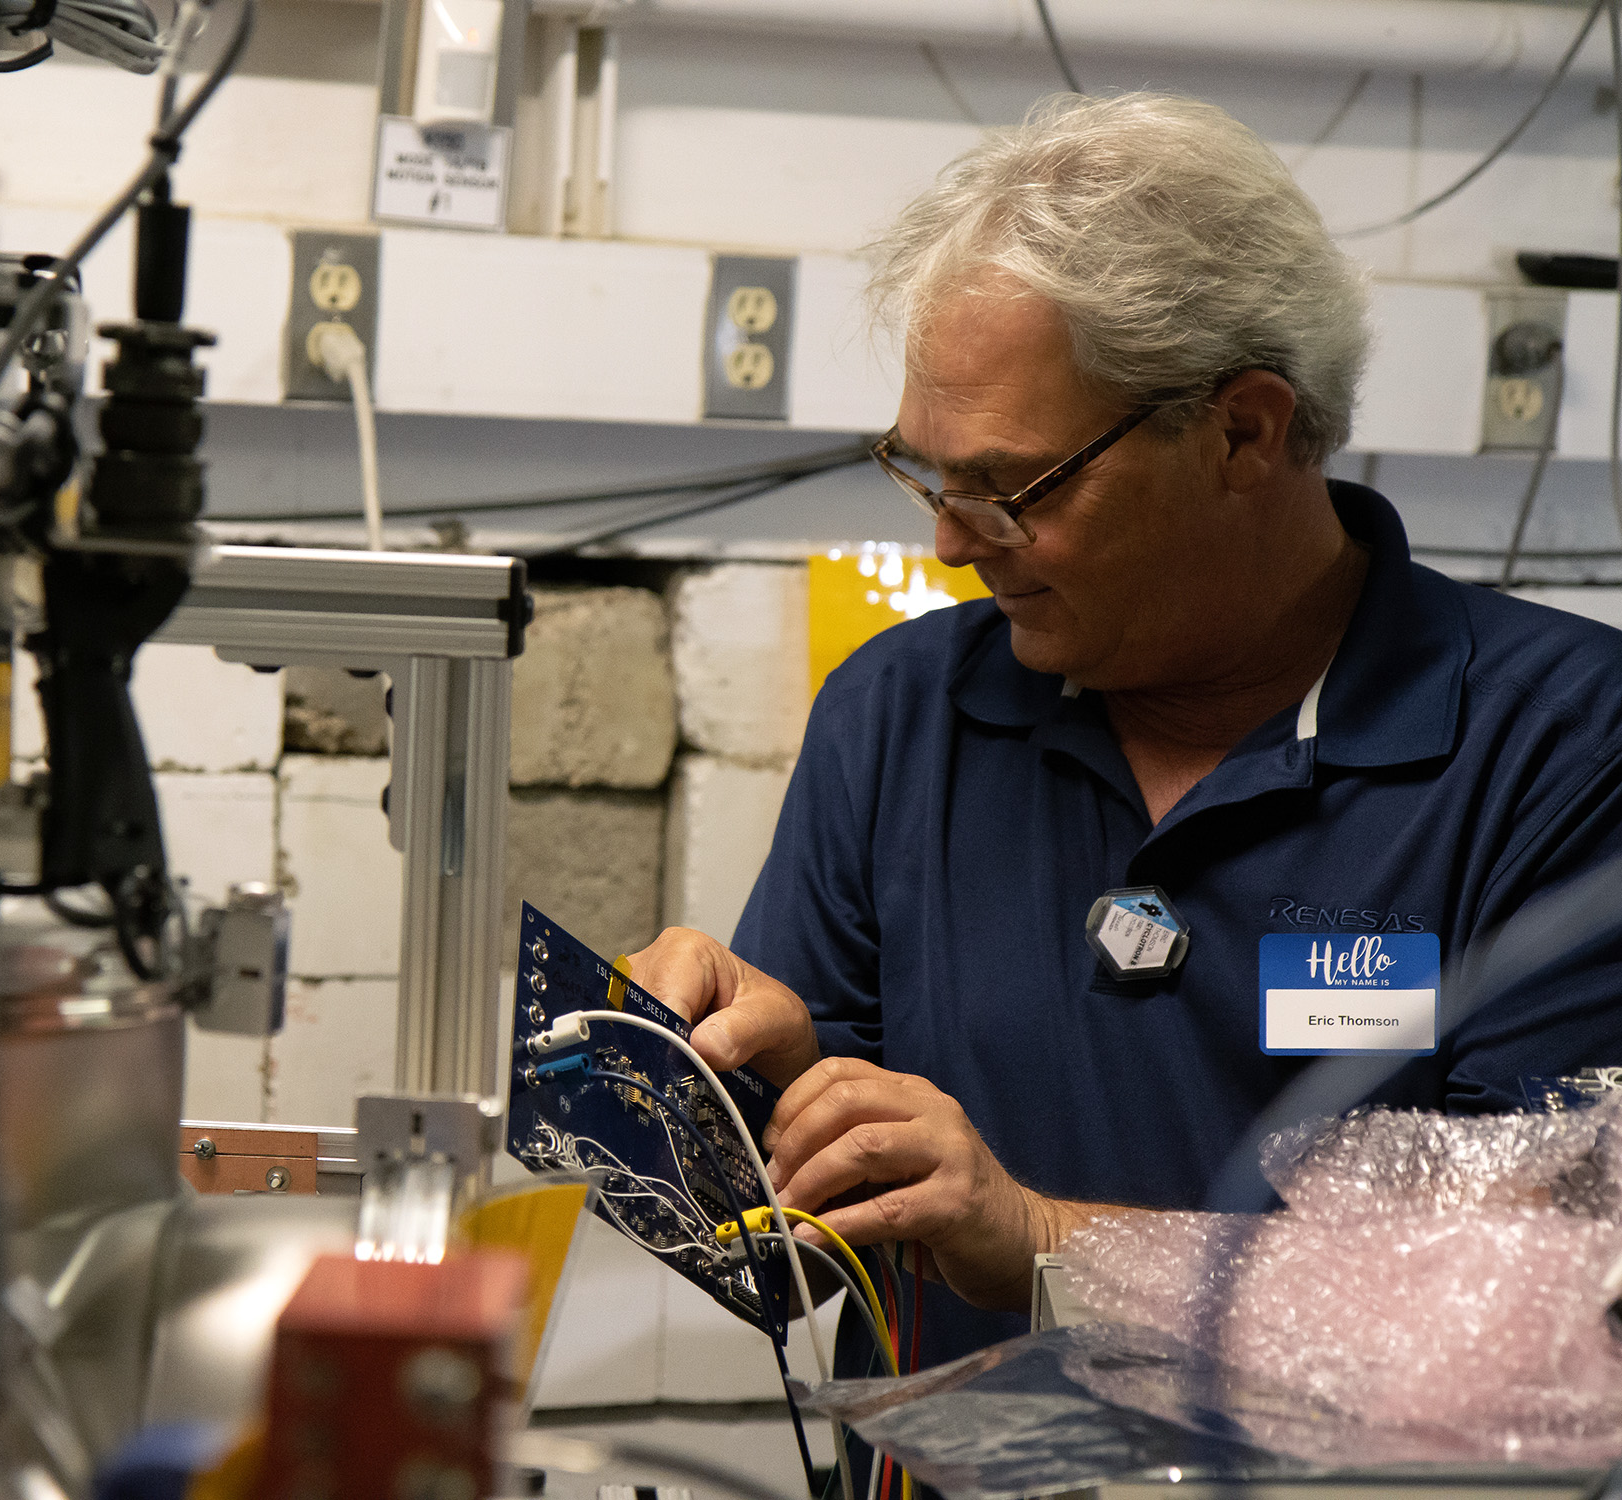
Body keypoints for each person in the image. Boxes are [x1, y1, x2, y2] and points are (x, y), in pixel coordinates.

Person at [625, 92, 1622, 1383]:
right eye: (927, 475)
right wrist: (728, 1103)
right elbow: (788, 1268)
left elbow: (1539, 1309)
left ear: (1241, 434)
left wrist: (1043, 1244)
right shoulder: (899, 721)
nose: (945, 543)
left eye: (1010, 490)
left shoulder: (1558, 752)